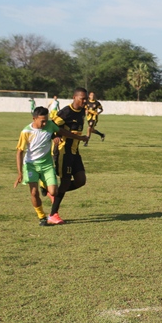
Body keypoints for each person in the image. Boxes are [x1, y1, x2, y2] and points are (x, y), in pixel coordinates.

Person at [15, 107, 88, 226]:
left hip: (47, 164)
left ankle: (44, 186)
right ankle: (42, 217)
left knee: (54, 192)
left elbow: (63, 132)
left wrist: (79, 138)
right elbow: (19, 152)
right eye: (42, 121)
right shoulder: (26, 132)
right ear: (34, 119)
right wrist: (20, 172)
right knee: (34, 193)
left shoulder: (49, 125)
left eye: (46, 120)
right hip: (31, 165)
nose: (45, 123)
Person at [48, 88, 90, 224]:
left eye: (86, 99)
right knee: (65, 181)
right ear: (74, 97)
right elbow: (51, 126)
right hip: (63, 151)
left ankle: (53, 192)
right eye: (82, 98)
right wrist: (55, 136)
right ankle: (53, 215)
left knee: (81, 180)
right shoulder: (65, 112)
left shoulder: (82, 111)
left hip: (75, 151)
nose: (85, 101)